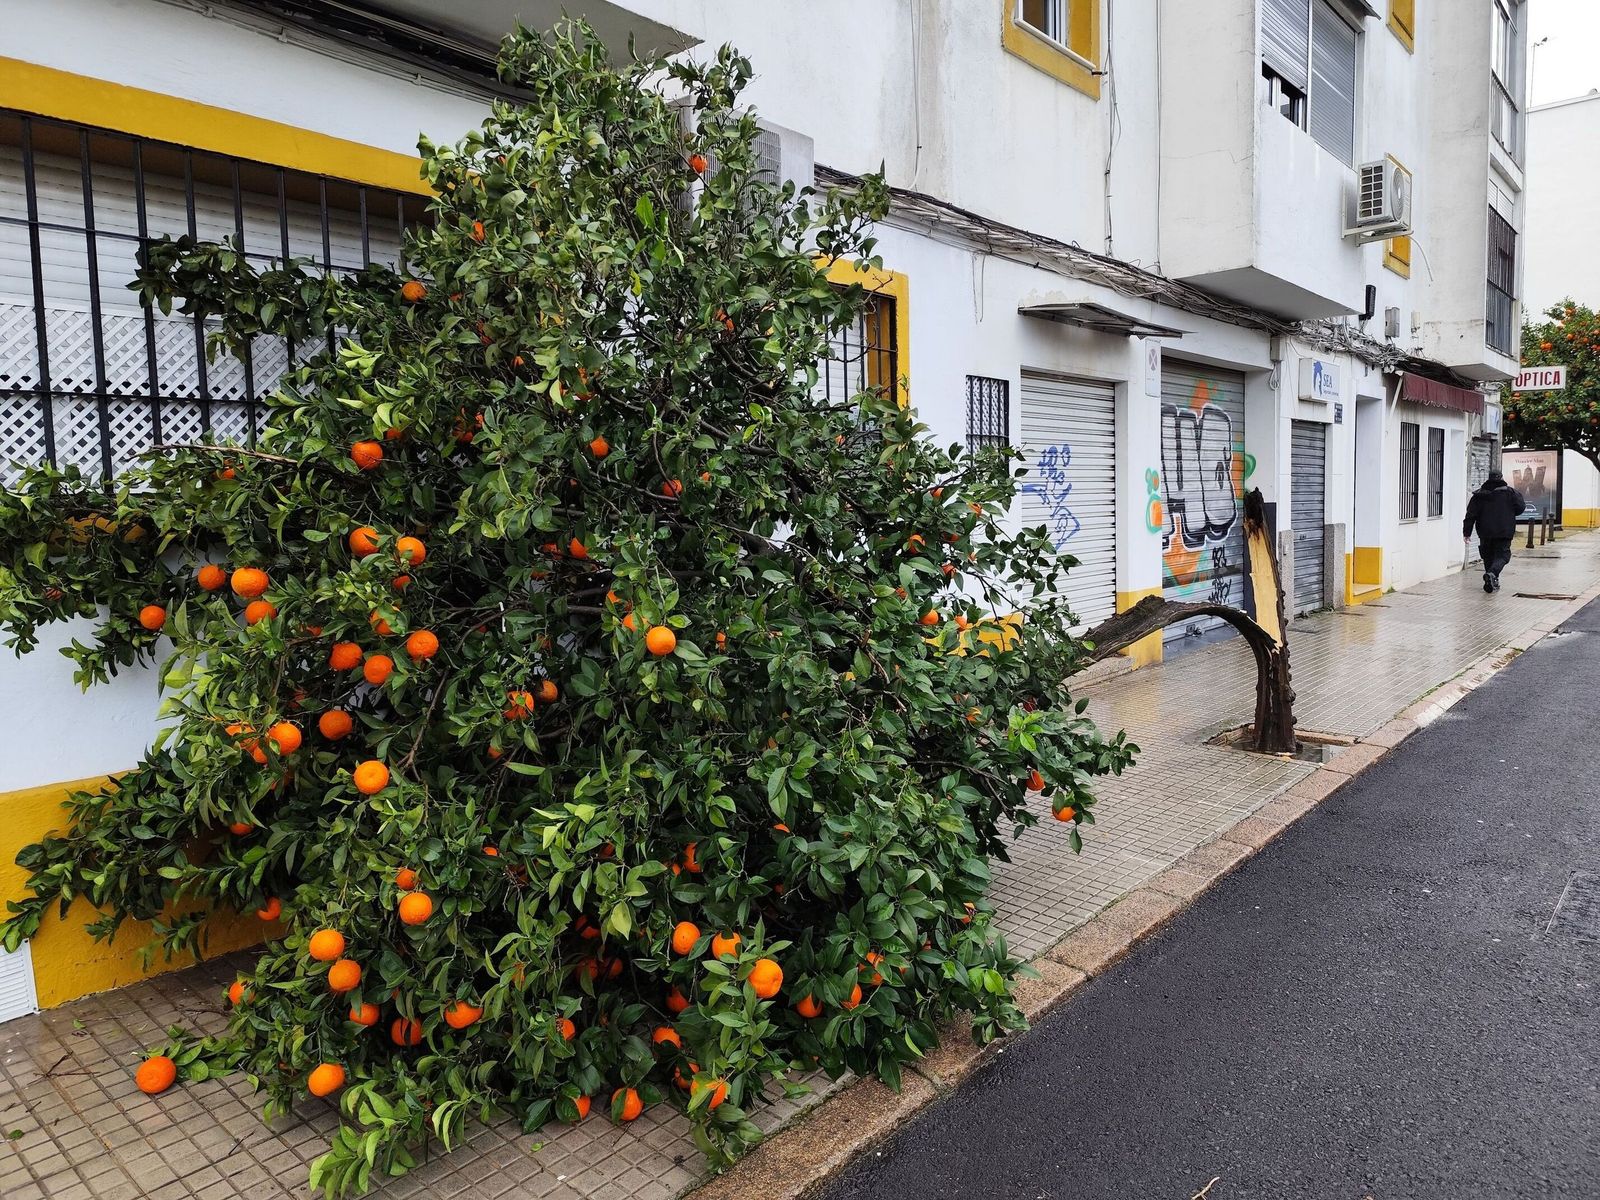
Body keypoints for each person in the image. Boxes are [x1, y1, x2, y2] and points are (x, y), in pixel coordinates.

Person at [1463, 469, 1526, 593]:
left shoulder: (1479, 494)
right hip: (1504, 531)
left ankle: (1491, 581)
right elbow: (1521, 508)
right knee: (1503, 556)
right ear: (1501, 478)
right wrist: (1509, 512)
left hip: (1485, 532)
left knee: (1488, 556)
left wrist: (1467, 532)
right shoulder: (1511, 493)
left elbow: (1470, 515)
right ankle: (1492, 574)